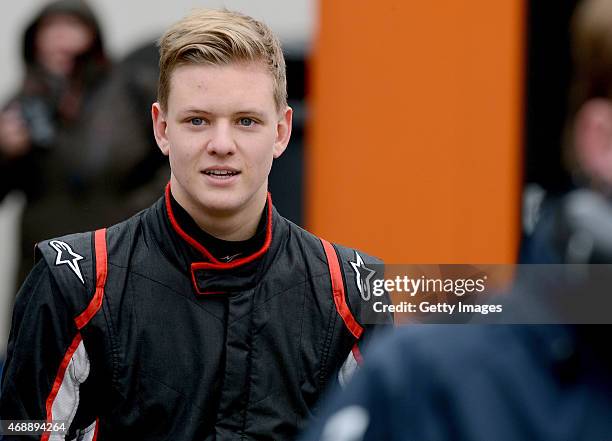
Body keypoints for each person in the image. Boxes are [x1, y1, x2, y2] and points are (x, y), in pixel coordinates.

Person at [0, 8, 391, 440]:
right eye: (197, 120)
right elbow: (23, 430)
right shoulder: (71, 283)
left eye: (246, 121)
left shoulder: (355, 291)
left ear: (281, 132)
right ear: (162, 128)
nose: (221, 145)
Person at [0, 0, 111, 287]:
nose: (60, 38)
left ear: (93, 39)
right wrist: (5, 153)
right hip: (44, 260)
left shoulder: (124, 94)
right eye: (51, 28)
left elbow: (166, 163)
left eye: (72, 26)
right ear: (34, 42)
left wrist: (136, 212)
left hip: (111, 252)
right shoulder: (21, 103)